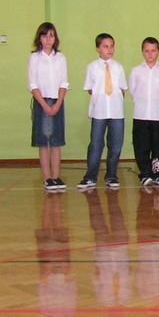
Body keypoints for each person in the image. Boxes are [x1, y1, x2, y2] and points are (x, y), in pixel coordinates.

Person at [78, 33, 127, 190]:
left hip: (116, 112)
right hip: (99, 112)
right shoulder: (92, 67)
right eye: (105, 46)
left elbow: (122, 89)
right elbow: (89, 89)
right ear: (98, 48)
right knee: (96, 144)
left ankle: (111, 175)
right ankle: (90, 176)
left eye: (112, 46)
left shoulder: (118, 67)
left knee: (116, 145)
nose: (109, 49)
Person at [28, 22, 69, 191]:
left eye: (51, 36)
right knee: (44, 142)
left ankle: (56, 177)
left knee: (56, 141)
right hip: (41, 102)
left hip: (57, 101)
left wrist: (58, 103)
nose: (48, 39)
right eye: (44, 36)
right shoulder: (34, 58)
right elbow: (33, 84)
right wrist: (45, 105)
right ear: (39, 38)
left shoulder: (61, 57)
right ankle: (47, 178)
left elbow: (64, 82)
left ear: (55, 38)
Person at [129, 37, 159, 187]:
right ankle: (145, 173)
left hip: (158, 115)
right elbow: (132, 91)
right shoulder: (136, 71)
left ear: (158, 52)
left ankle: (158, 173)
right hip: (140, 114)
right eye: (147, 51)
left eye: (153, 51)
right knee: (141, 146)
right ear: (142, 52)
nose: (150, 54)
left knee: (157, 145)